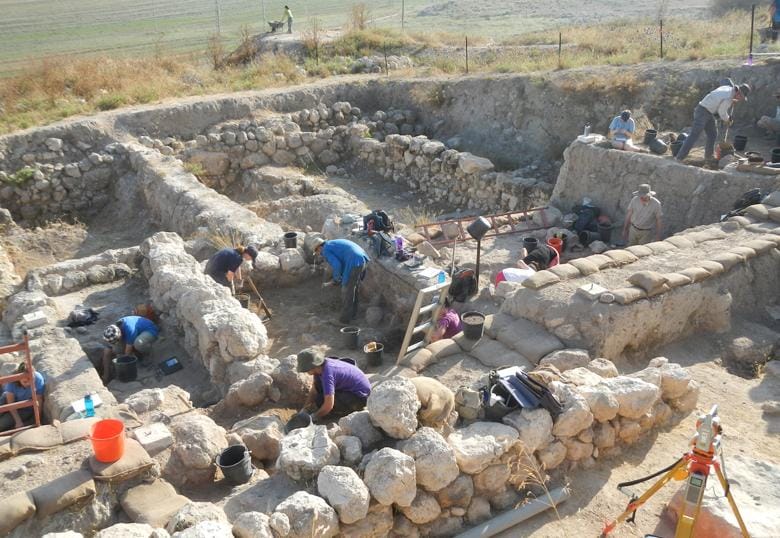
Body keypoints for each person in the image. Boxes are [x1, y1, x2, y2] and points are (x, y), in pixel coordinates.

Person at [675, 83, 751, 163]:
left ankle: (708, 157)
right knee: (694, 134)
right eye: (741, 97)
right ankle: (679, 157)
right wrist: (728, 119)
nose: (740, 99)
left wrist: (732, 100)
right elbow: (721, 112)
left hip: (708, 111)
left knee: (712, 134)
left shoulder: (727, 88)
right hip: (702, 111)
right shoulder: (728, 98)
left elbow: (719, 100)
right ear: (738, 93)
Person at [297, 349, 371, 421]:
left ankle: (345, 412)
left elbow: (328, 405)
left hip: (360, 397)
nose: (305, 372)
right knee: (319, 395)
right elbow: (314, 390)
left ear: (312, 367)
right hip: (351, 387)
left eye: (305, 369)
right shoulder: (320, 367)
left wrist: (314, 417)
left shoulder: (328, 374)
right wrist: (304, 409)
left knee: (322, 402)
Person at [314, 238, 370, 324]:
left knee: (346, 290)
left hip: (354, 261)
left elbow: (337, 265)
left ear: (319, 247)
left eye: (317, 252)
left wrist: (336, 279)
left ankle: (344, 320)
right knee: (353, 288)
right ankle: (353, 314)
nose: (319, 254)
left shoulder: (326, 250)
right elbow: (342, 261)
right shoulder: (332, 244)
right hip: (362, 258)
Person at [101, 316, 160, 383]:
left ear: (120, 334)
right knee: (113, 350)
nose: (116, 342)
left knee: (139, 343)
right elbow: (109, 349)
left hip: (150, 330)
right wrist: (106, 375)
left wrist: (123, 367)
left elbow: (127, 353)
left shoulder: (129, 329)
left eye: (118, 340)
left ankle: (147, 355)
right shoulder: (112, 330)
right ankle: (106, 376)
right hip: (135, 333)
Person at [0, 363, 45, 433]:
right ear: (19, 379)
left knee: (2, 424)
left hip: (25, 408)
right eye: (25, 382)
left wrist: (37, 419)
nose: (28, 384)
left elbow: (39, 400)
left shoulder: (38, 379)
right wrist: (18, 421)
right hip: (9, 402)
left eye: (31, 380)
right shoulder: (12, 381)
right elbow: (10, 403)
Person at [494, 243, 560, 285]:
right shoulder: (533, 276)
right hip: (504, 279)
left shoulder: (529, 268)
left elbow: (522, 254)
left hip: (502, 273)